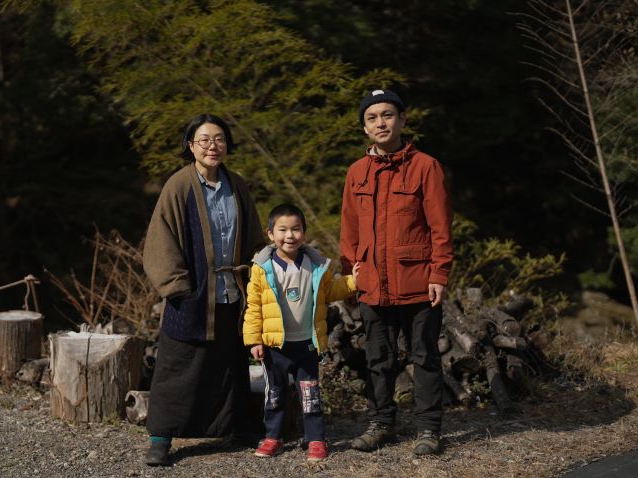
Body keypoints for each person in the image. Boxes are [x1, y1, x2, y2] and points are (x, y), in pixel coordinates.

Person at [142, 113, 265, 466]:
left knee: (230, 364)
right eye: (204, 140)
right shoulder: (179, 184)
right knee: (178, 364)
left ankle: (237, 425)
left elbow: (254, 235)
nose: (213, 146)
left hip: (231, 290)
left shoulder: (236, 184)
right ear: (190, 146)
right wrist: (176, 285)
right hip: (193, 292)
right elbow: (160, 237)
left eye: (220, 139)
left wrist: (259, 271)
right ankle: (161, 437)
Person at [340, 89, 453, 455]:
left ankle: (428, 430)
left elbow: (440, 227)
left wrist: (439, 273)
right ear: (364, 128)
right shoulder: (356, 172)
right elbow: (349, 229)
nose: (380, 123)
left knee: (424, 357)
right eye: (372, 118)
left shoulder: (426, 166)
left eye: (387, 115)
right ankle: (381, 423)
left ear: (402, 120)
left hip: (418, 282)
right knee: (378, 359)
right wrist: (351, 270)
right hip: (373, 282)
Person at [242, 204, 359, 462]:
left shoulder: (315, 264)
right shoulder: (262, 268)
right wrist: (254, 340)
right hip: (275, 346)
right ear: (270, 234)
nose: (290, 235)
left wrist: (353, 282)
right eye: (282, 230)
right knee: (275, 394)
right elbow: (253, 308)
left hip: (306, 343)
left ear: (304, 233)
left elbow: (331, 291)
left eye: (296, 229)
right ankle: (273, 436)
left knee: (310, 394)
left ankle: (315, 439)